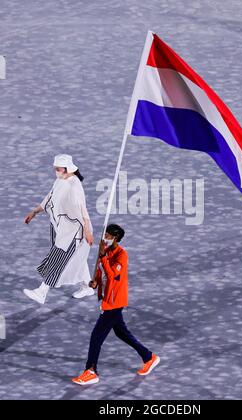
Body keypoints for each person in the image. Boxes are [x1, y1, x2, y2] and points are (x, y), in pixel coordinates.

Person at [72, 224, 160, 385]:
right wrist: (95, 283)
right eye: (105, 234)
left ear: (116, 238)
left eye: (108, 235)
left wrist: (103, 256)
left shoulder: (122, 255)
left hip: (114, 302)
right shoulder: (104, 252)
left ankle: (91, 371)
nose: (105, 237)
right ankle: (148, 357)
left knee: (96, 336)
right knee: (121, 333)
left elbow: (112, 275)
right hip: (108, 298)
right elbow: (101, 273)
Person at [23, 154, 94, 304]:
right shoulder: (60, 180)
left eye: (58, 169)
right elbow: (50, 197)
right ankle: (87, 286)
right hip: (59, 227)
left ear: (67, 169)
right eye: (55, 169)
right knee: (75, 256)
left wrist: (87, 231)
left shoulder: (75, 186)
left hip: (74, 231)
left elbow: (83, 210)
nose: (56, 171)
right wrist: (35, 211)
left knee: (58, 259)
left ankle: (42, 291)